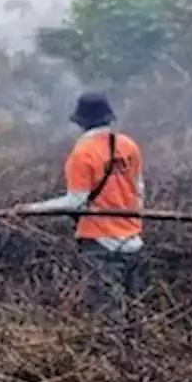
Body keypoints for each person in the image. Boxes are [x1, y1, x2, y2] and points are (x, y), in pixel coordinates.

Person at [12, 92, 145, 319]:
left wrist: (31, 210)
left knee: (107, 314)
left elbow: (75, 202)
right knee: (135, 310)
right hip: (133, 241)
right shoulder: (128, 146)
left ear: (80, 122)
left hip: (101, 243)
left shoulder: (82, 154)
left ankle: (112, 353)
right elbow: (139, 189)